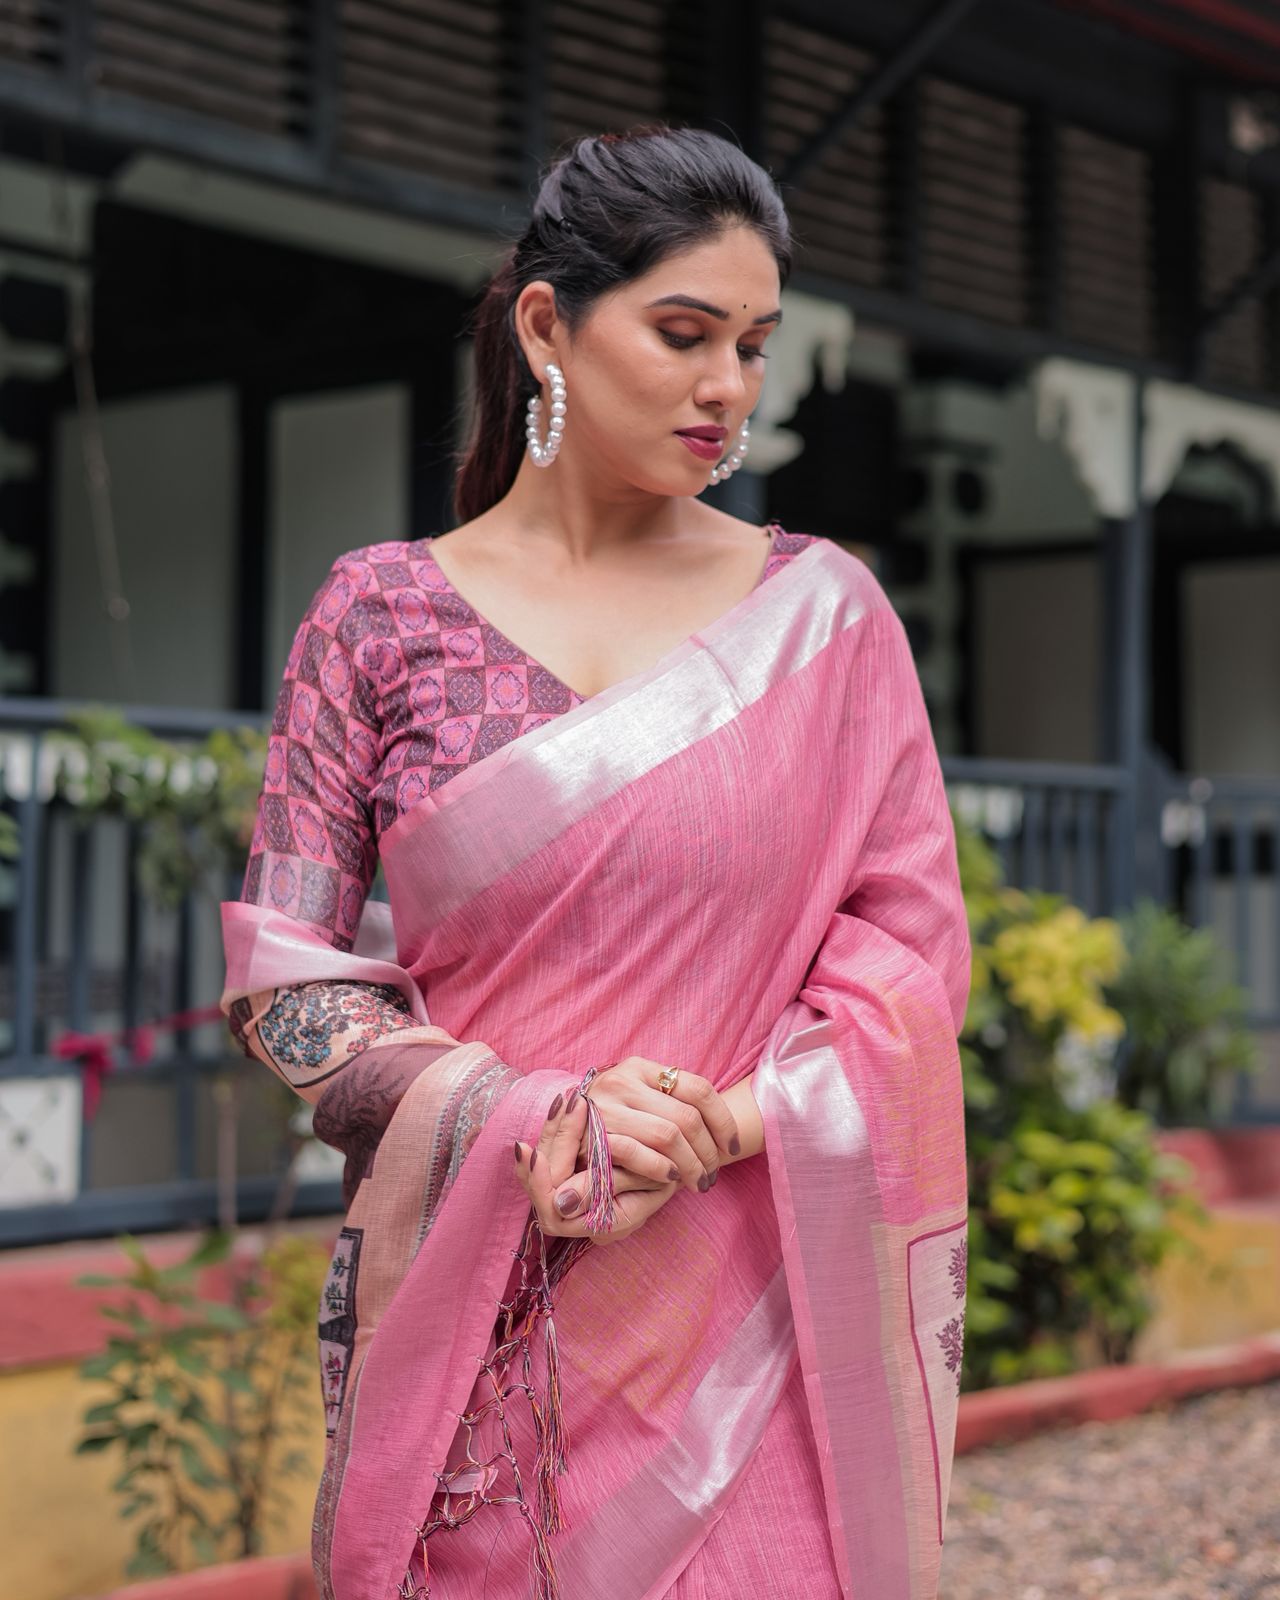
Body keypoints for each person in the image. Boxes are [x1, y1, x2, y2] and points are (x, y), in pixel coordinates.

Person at [221, 123, 971, 1600]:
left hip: (752, 1327)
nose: (728, 390)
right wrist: (529, 1113)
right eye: (685, 334)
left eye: (754, 346)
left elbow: (908, 963)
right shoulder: (381, 616)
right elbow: (285, 984)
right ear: (549, 326)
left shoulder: (822, 618)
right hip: (485, 1326)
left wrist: (724, 1127)